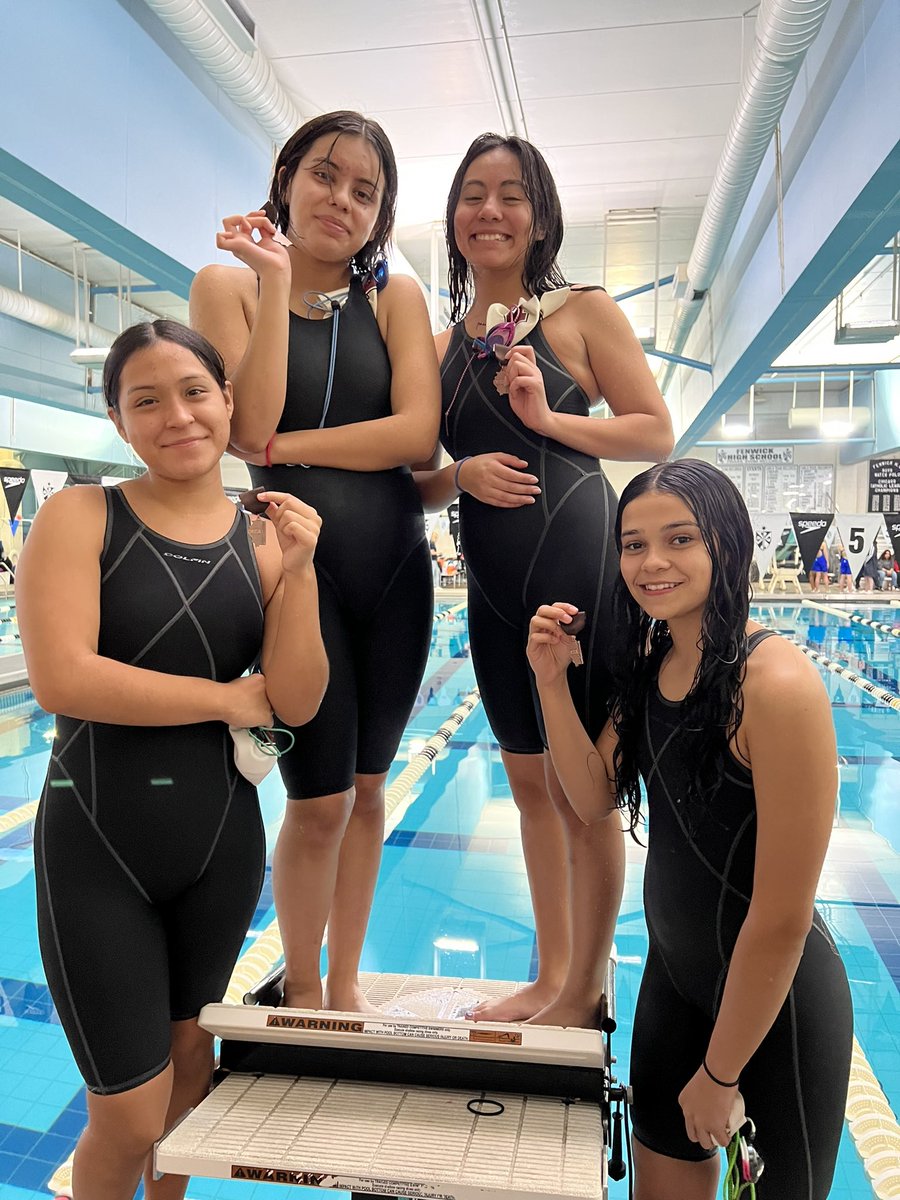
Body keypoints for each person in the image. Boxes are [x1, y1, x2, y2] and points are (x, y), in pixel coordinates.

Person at [17, 320, 328, 1200]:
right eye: (145, 400)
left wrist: (302, 572)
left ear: (227, 401)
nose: (178, 416)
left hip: (218, 844)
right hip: (96, 845)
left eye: (195, 392)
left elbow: (298, 699)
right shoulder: (83, 515)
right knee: (128, 1115)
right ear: (119, 421)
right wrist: (225, 699)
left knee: (193, 1069)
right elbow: (62, 679)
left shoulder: (265, 539)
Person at [528, 459, 851, 1200]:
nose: (653, 562)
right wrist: (550, 682)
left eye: (680, 539)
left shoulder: (776, 686)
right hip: (675, 984)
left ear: (727, 544)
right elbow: (592, 798)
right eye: (633, 544)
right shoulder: (656, 662)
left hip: (775, 1010)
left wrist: (720, 1073)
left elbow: (781, 916)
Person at [414, 133, 673, 1026]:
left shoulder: (581, 312)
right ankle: (551, 976)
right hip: (490, 590)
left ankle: (587, 989)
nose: (490, 210)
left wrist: (549, 420)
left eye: (511, 195)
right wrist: (459, 474)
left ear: (540, 216)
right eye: (473, 194)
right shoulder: (438, 346)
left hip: (577, 569)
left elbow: (653, 430)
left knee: (583, 789)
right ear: (454, 218)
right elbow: (413, 480)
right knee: (528, 784)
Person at [190, 111, 439, 1013]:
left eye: (365, 191)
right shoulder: (229, 285)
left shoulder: (395, 300)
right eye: (326, 176)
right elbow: (247, 423)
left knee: (369, 793)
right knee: (318, 799)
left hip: (397, 571)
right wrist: (276, 279)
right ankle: (300, 983)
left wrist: (287, 449)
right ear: (288, 176)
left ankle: (345, 982)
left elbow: (418, 437)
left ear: (380, 213)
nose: (342, 200)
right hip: (297, 577)